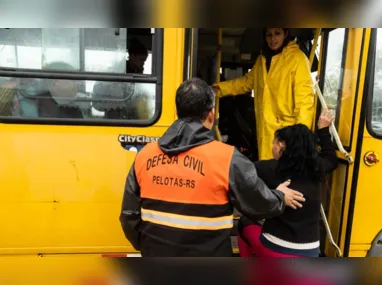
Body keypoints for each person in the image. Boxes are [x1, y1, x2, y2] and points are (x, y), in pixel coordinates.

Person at [119, 78, 306, 257]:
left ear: (177, 112)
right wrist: (280, 197)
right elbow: (258, 203)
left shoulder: (144, 156)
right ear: (211, 114)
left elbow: (129, 217)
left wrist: (149, 248)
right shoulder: (228, 159)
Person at [237, 109, 338, 258]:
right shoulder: (318, 168)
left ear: (281, 145)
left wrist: (274, 195)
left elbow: (237, 175)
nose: (272, 147)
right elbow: (331, 158)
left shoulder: (268, 168)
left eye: (273, 142)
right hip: (311, 252)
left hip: (275, 248)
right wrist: (323, 129)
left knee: (243, 223)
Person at [212, 28, 315, 160]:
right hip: (265, 133)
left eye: (277, 34)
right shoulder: (262, 60)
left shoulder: (298, 59)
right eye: (269, 35)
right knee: (267, 173)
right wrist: (218, 89)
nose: (273, 39)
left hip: (286, 136)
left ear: (286, 34)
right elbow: (246, 83)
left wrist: (300, 137)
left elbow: (305, 101)